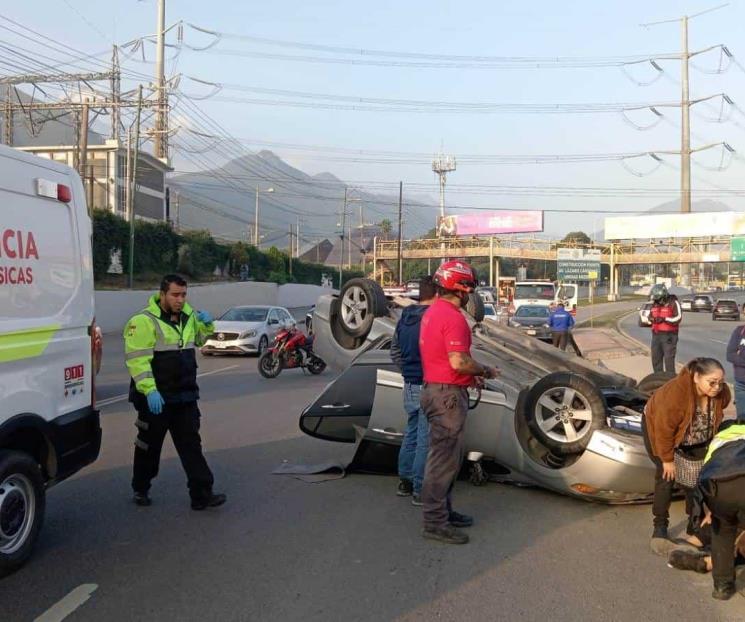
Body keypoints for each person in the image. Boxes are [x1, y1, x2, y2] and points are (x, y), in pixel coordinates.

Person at [123, 274, 226, 510]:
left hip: (184, 396)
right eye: (175, 295)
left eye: (183, 295)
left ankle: (201, 495)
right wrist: (149, 390)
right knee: (148, 447)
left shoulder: (189, 317)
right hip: (155, 398)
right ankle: (141, 487)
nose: (180, 300)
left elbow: (199, 341)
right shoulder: (143, 321)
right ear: (162, 295)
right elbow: (138, 361)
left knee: (192, 446)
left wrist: (207, 325)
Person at [418, 260, 500, 545]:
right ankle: (435, 523)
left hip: (439, 390)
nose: (470, 294)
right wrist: (484, 371)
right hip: (447, 397)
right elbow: (459, 361)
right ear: (461, 288)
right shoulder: (452, 317)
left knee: (447, 459)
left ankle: (444, 512)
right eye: (469, 287)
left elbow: (445, 361)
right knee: (442, 462)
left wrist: (467, 378)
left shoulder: (433, 312)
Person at [642, 358, 730, 552]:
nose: (717, 387)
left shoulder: (721, 393)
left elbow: (721, 408)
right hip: (659, 430)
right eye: (712, 382)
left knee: (696, 478)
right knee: (666, 477)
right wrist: (667, 459)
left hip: (695, 433)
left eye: (721, 382)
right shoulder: (676, 395)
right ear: (696, 377)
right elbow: (663, 430)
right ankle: (660, 528)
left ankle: (695, 523)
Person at [390, 276, 437, 505]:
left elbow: (394, 352)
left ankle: (405, 482)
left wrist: (408, 371)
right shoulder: (432, 318)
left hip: (409, 384)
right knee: (424, 439)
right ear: (436, 294)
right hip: (427, 384)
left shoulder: (404, 318)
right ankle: (419, 489)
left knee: (410, 434)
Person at [648, 283, 682, 373]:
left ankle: (670, 380)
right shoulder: (655, 304)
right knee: (656, 359)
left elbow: (678, 318)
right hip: (656, 335)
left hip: (669, 336)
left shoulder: (673, 303)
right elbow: (650, 316)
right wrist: (652, 319)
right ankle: (658, 379)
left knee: (668, 360)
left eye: (658, 299)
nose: (657, 301)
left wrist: (664, 319)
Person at [725, 323, 745, 419]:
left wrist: (740, 357)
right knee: (742, 421)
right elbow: (730, 354)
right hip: (741, 383)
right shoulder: (740, 331)